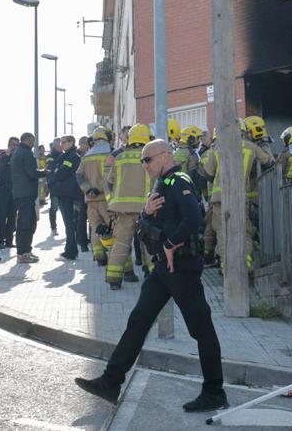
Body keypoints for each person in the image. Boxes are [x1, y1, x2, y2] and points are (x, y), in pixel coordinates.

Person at [74, 139, 227, 412]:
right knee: (138, 320)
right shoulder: (162, 185)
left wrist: (170, 245)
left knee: (201, 328)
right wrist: (145, 212)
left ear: (165, 156)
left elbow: (193, 218)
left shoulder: (178, 180)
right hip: (163, 269)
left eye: (148, 160)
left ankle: (214, 391)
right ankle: (111, 381)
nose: (143, 165)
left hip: (181, 267)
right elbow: (153, 224)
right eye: (142, 161)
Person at [199, 118, 273, 271]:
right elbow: (269, 163)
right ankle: (246, 263)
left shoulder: (219, 148)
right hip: (241, 197)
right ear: (244, 132)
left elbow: (207, 173)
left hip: (220, 198)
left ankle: (225, 266)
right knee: (244, 230)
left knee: (222, 232)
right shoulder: (251, 147)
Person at [102, 123, 150, 289]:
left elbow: (109, 183)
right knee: (148, 243)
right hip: (146, 209)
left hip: (122, 209)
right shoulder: (149, 158)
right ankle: (151, 275)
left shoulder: (120, 158)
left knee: (121, 243)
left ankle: (114, 280)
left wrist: (114, 200)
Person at [76, 128, 113, 267]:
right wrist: (100, 190)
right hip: (107, 200)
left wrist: (89, 190)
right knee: (113, 228)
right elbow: (111, 176)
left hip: (91, 200)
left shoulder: (86, 157)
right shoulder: (110, 155)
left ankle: (99, 257)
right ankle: (115, 256)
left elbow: (79, 175)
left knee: (95, 227)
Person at [10, 132, 47, 264]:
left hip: (22, 193)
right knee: (26, 224)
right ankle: (23, 253)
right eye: (33, 141)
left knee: (28, 223)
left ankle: (25, 251)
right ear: (27, 140)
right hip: (25, 194)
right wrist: (45, 171)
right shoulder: (25, 153)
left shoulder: (19, 152)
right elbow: (32, 172)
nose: (34, 143)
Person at [49, 135, 82, 260]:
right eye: (61, 142)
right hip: (65, 192)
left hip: (68, 193)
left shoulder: (72, 156)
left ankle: (70, 252)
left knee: (69, 223)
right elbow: (56, 171)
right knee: (69, 223)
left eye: (64, 142)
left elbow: (61, 172)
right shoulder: (64, 156)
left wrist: (57, 172)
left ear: (71, 142)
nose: (61, 144)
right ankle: (71, 250)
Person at [0, 137, 18, 248]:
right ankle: (0, 241)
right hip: (3, 188)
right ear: (8, 145)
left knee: (12, 216)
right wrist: (7, 156)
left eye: (16, 145)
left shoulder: (18, 156)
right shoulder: (1, 155)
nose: (14, 147)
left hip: (14, 189)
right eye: (12, 145)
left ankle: (9, 241)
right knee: (1, 216)